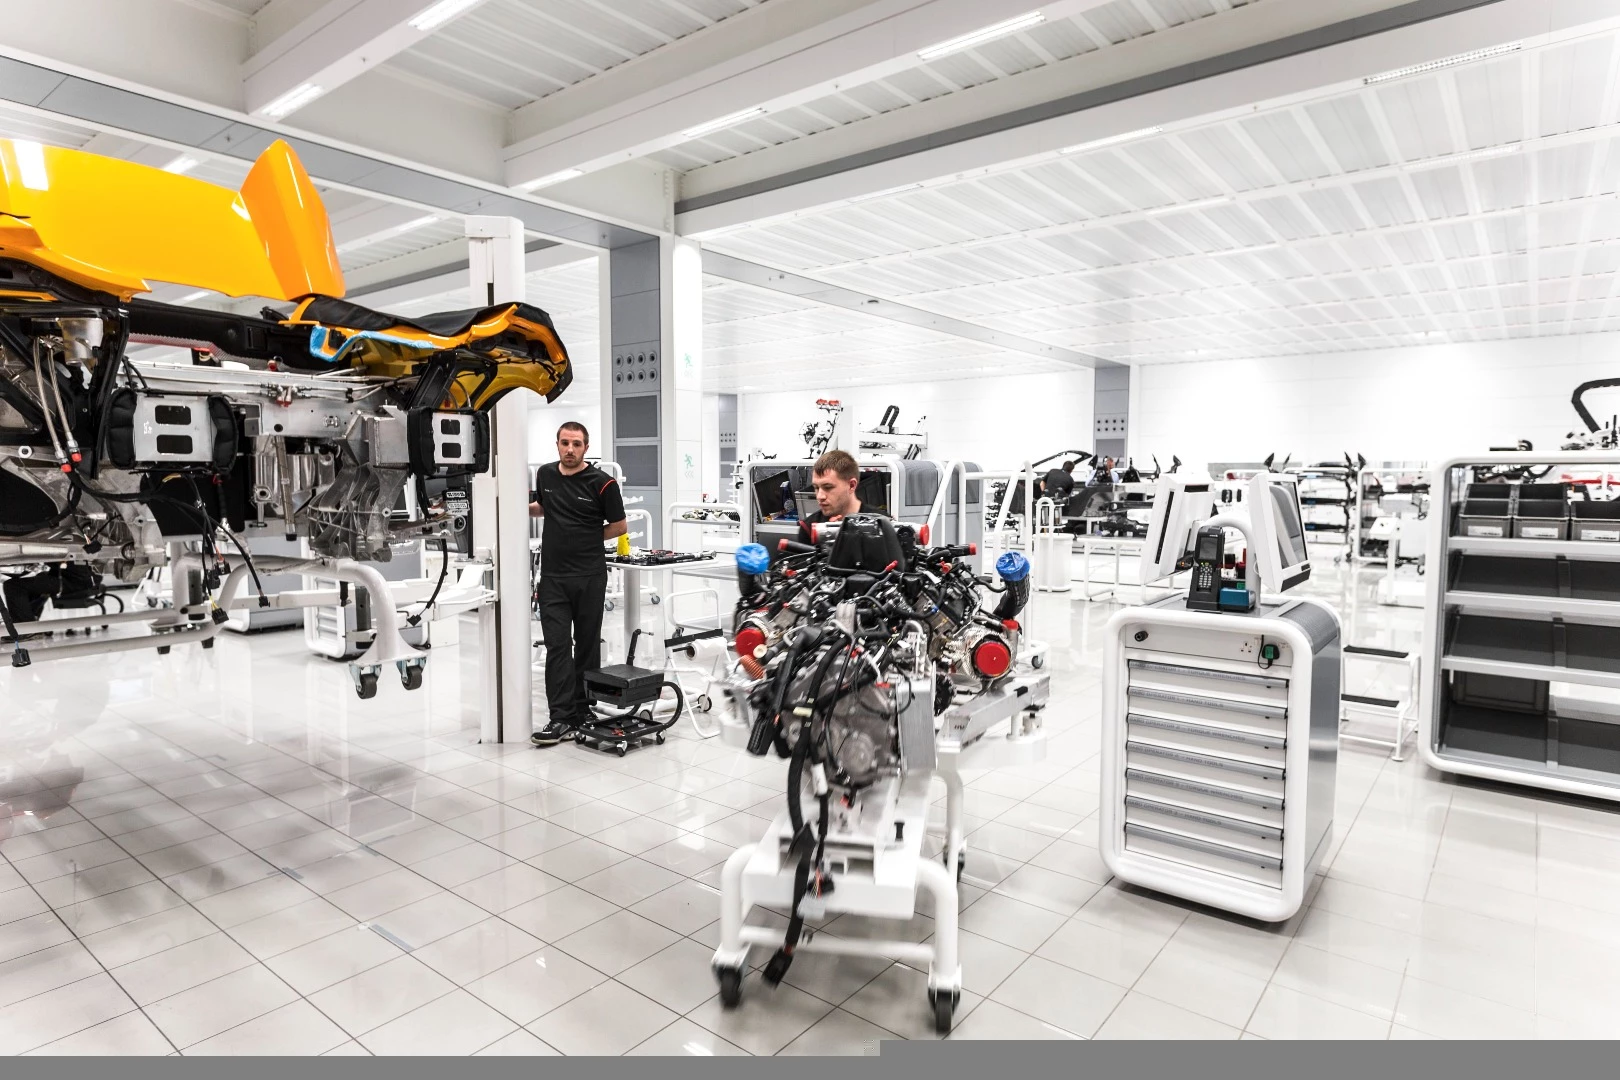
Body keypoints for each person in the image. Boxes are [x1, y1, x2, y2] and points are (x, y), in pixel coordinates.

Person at [529, 422, 628, 747]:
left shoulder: (603, 483)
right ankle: (560, 717)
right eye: (564, 443)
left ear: (586, 447)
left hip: (589, 576)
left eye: (576, 444)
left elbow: (619, 526)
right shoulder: (545, 474)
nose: (570, 449)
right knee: (557, 646)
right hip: (553, 578)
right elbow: (544, 507)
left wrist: (587, 536)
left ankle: (583, 712)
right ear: (557, 444)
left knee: (587, 645)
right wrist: (511, 506)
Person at [796, 449, 882, 544]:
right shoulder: (810, 528)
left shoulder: (880, 525)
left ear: (851, 485)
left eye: (828, 487)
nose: (820, 496)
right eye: (816, 487)